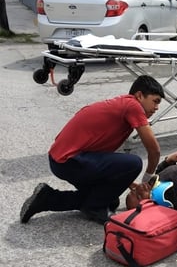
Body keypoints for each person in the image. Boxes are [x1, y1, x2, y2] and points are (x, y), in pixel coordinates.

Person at [19, 75, 165, 225]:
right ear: (139, 95)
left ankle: (46, 198)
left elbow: (106, 156)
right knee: (134, 164)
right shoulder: (133, 106)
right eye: (155, 101)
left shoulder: (122, 105)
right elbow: (154, 151)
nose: (157, 108)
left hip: (62, 160)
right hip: (69, 161)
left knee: (110, 200)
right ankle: (94, 207)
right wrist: (146, 181)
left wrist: (128, 182)